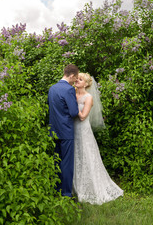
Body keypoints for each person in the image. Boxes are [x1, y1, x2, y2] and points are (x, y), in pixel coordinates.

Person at [73, 72, 123, 205]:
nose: (77, 80)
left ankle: (91, 188)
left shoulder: (88, 97)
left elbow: (83, 116)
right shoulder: (72, 94)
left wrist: (72, 105)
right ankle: (76, 188)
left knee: (87, 156)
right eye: (77, 78)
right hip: (72, 131)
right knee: (75, 157)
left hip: (83, 131)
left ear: (86, 83)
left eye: (80, 79)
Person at [48, 64, 79, 197]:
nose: (75, 81)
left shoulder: (52, 88)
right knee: (66, 163)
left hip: (54, 130)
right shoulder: (69, 90)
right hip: (66, 130)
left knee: (56, 161)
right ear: (71, 75)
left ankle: (56, 189)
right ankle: (66, 193)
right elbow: (73, 112)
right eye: (75, 78)